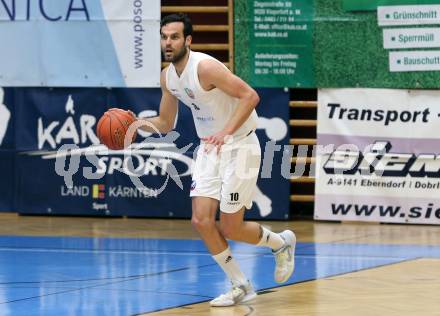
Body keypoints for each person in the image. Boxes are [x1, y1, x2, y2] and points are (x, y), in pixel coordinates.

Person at [133, 13, 296, 307]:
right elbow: (166, 123)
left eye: (174, 37)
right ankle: (239, 284)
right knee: (201, 220)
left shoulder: (205, 67)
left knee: (231, 227)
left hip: (240, 145)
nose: (168, 43)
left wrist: (226, 131)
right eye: (164, 37)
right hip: (209, 148)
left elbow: (250, 96)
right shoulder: (167, 76)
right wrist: (134, 124)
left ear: (188, 40)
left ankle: (281, 242)